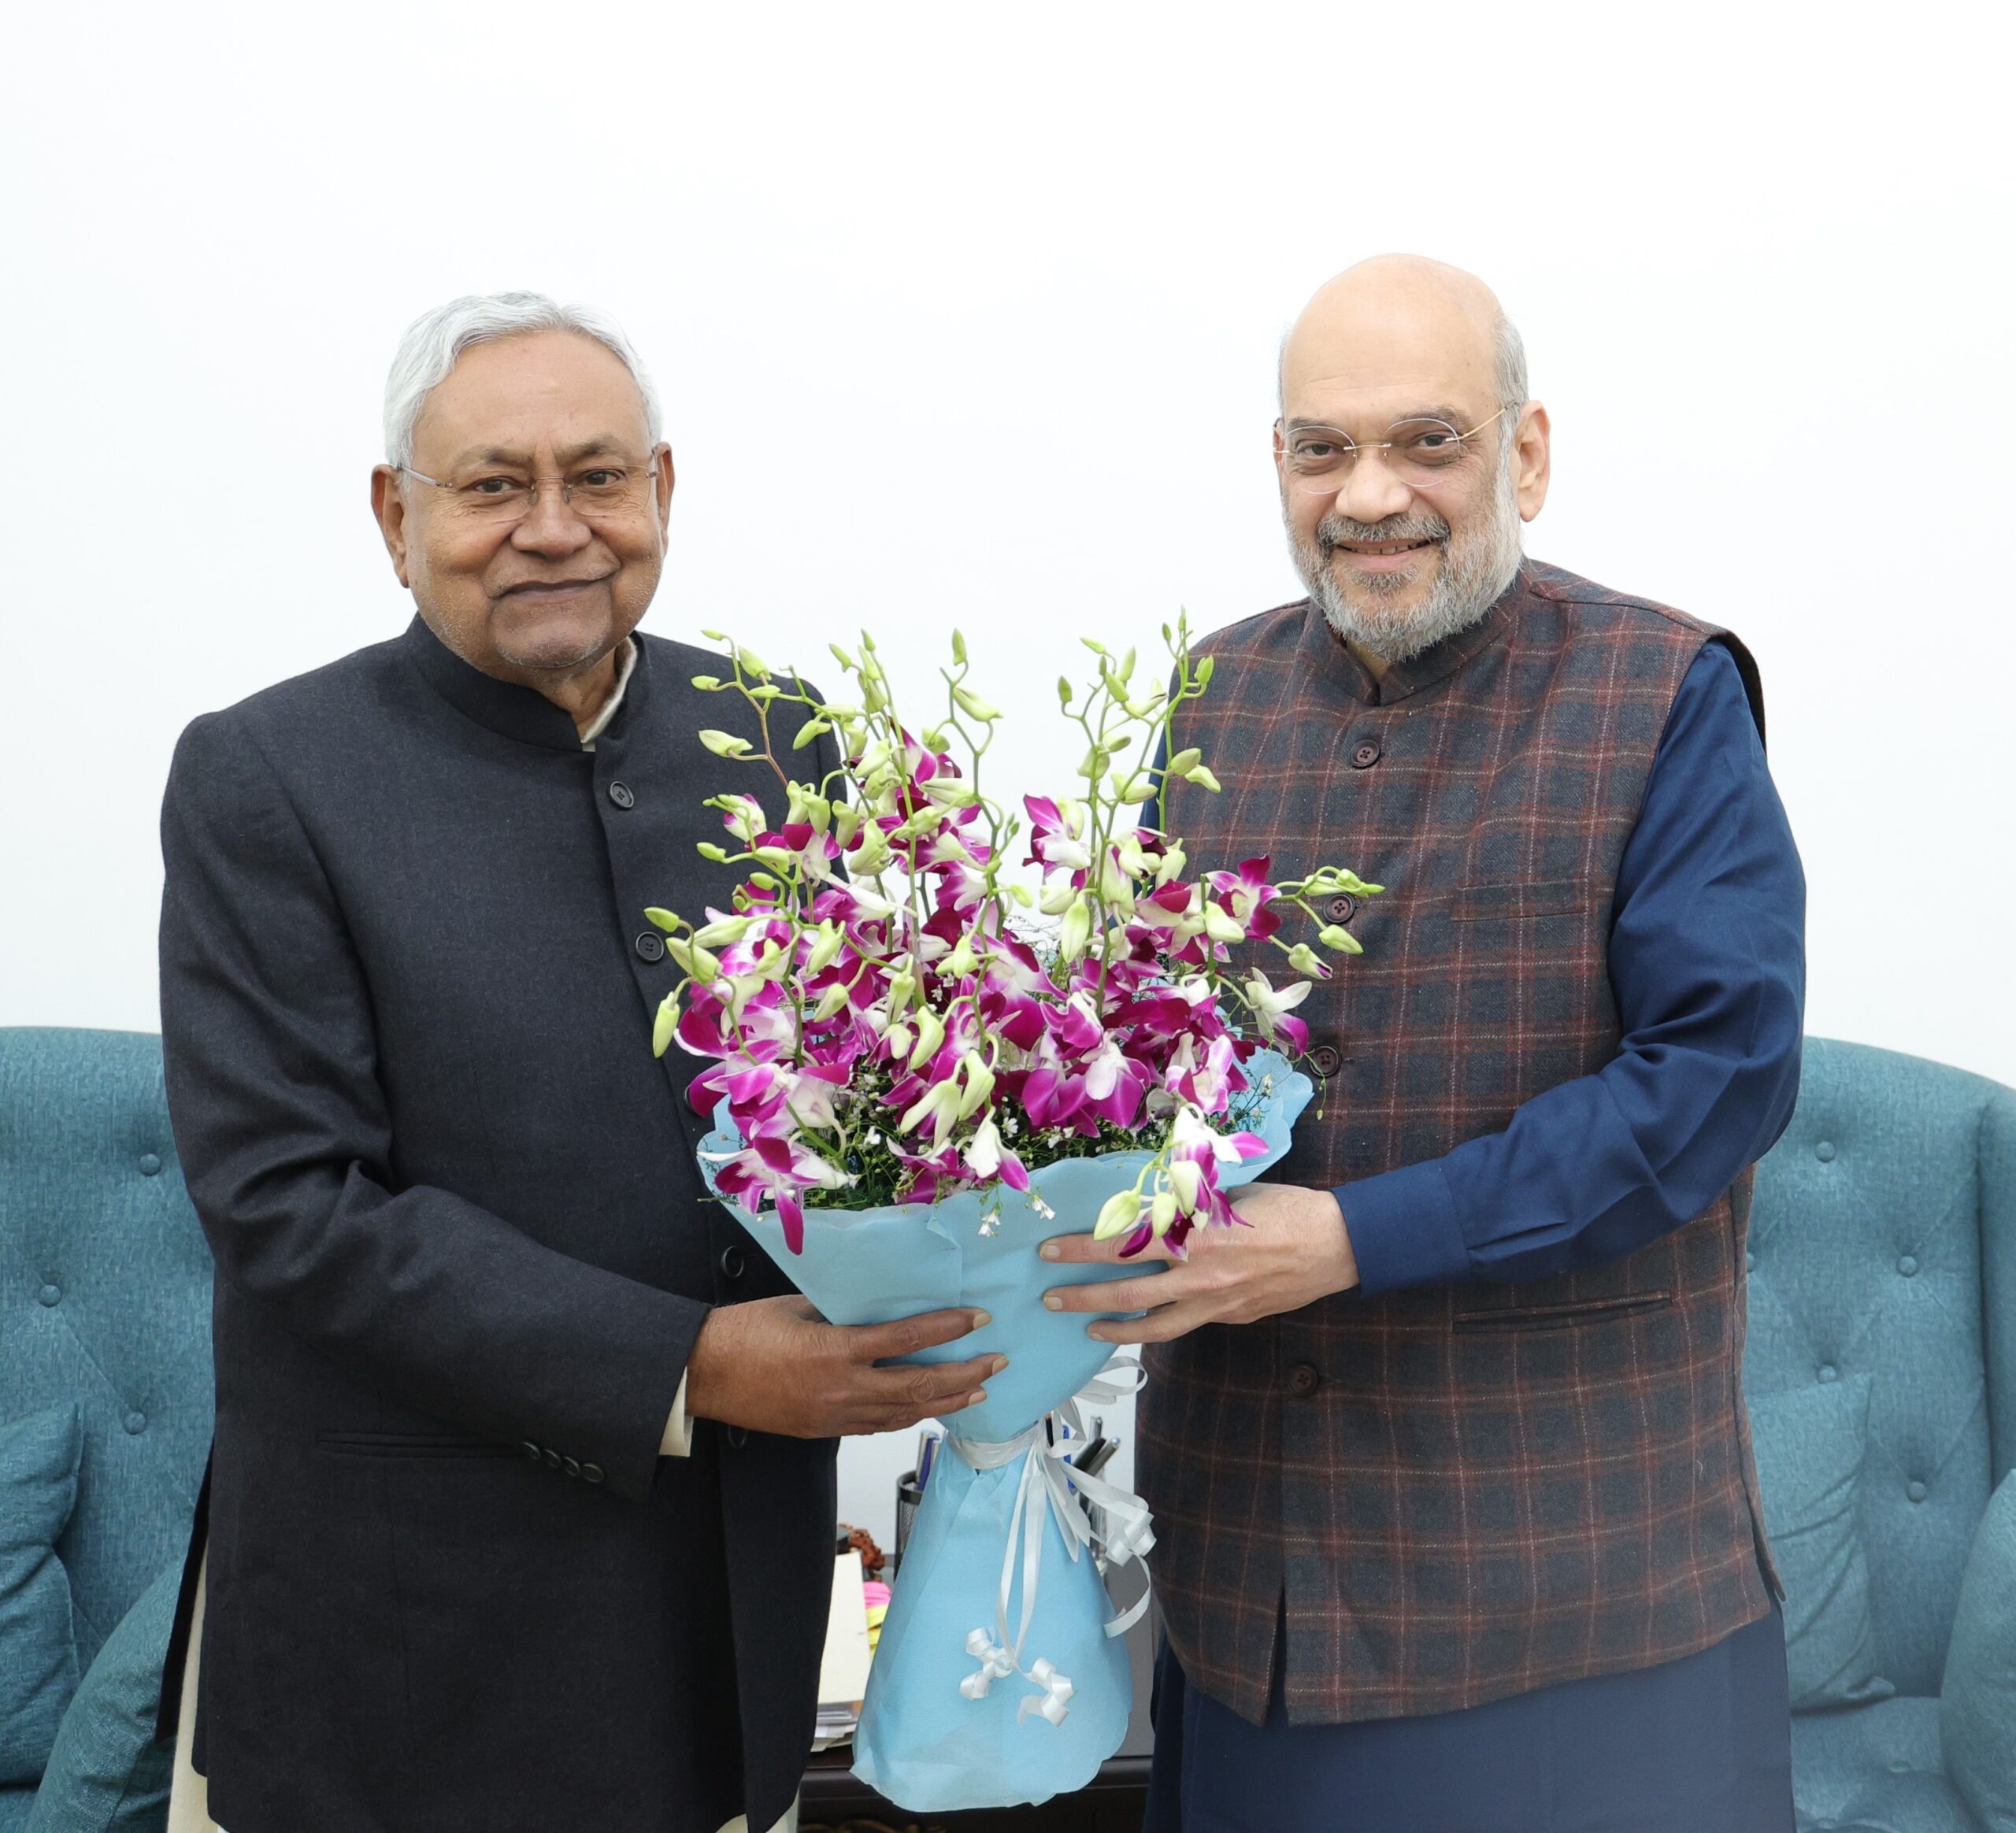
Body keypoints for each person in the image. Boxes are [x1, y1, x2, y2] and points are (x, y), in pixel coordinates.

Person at [155, 291, 1003, 1833]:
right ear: (393, 516)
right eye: (492, 486)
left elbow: (872, 1105)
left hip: (730, 1630)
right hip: (415, 1663)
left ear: (661, 492)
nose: (554, 529)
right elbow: (292, 1211)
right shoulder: (268, 778)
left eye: (598, 477)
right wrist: (700, 1364)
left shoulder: (781, 741)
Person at [1043, 255, 1804, 1831]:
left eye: (1425, 443)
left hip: (1573, 1605)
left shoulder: (1662, 691)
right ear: (1276, 465)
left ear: (1523, 453)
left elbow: (1712, 1083)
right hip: (1247, 1582)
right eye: (1320, 449)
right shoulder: (1204, 703)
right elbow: (1147, 1051)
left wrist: (1352, 1239)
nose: (1367, 494)